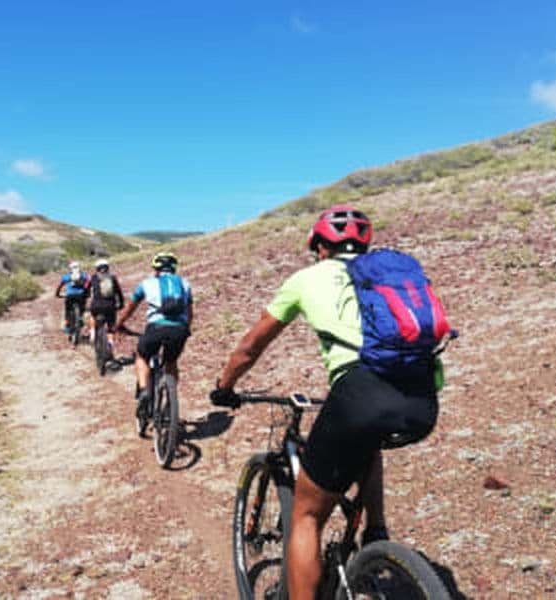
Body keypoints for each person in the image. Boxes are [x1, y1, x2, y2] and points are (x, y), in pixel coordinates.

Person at [210, 205, 440, 600]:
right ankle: (376, 528)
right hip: (422, 399)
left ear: (319, 248)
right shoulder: (388, 278)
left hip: (361, 395)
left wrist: (225, 386)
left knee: (306, 515)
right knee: (366, 440)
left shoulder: (307, 278)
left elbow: (250, 346)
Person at [115, 251, 193, 413]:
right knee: (171, 362)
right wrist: (186, 329)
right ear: (174, 269)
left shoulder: (147, 283)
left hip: (156, 328)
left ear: (156, 269)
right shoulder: (185, 284)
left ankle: (144, 391)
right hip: (179, 329)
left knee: (142, 356)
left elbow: (130, 308)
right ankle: (171, 402)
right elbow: (190, 312)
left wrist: (119, 324)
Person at [87, 258, 124, 349]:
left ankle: (92, 333)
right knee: (111, 323)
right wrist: (121, 303)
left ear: (97, 268)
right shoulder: (113, 277)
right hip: (110, 306)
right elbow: (119, 292)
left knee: (92, 315)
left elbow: (86, 288)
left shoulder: (93, 278)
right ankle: (111, 342)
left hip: (96, 305)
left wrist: (86, 295)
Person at [54, 261, 90, 334]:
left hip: (69, 296)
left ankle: (67, 326)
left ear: (70, 268)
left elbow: (59, 286)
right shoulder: (84, 275)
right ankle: (80, 318)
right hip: (81, 296)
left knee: (68, 311)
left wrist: (57, 294)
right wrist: (87, 293)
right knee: (82, 308)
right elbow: (89, 282)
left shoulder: (66, 276)